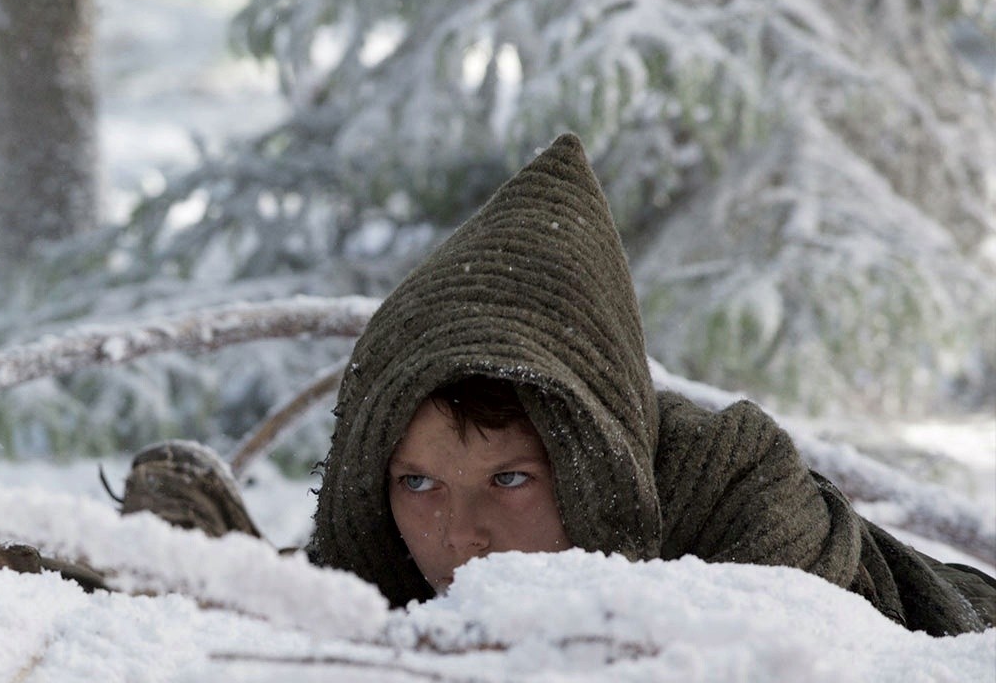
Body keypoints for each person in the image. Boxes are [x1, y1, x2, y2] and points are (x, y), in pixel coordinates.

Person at [125, 134, 994, 636]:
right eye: (416, 482)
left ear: (591, 465)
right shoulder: (389, 549)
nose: (460, 534)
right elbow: (309, 599)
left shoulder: (741, 500)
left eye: (510, 479)